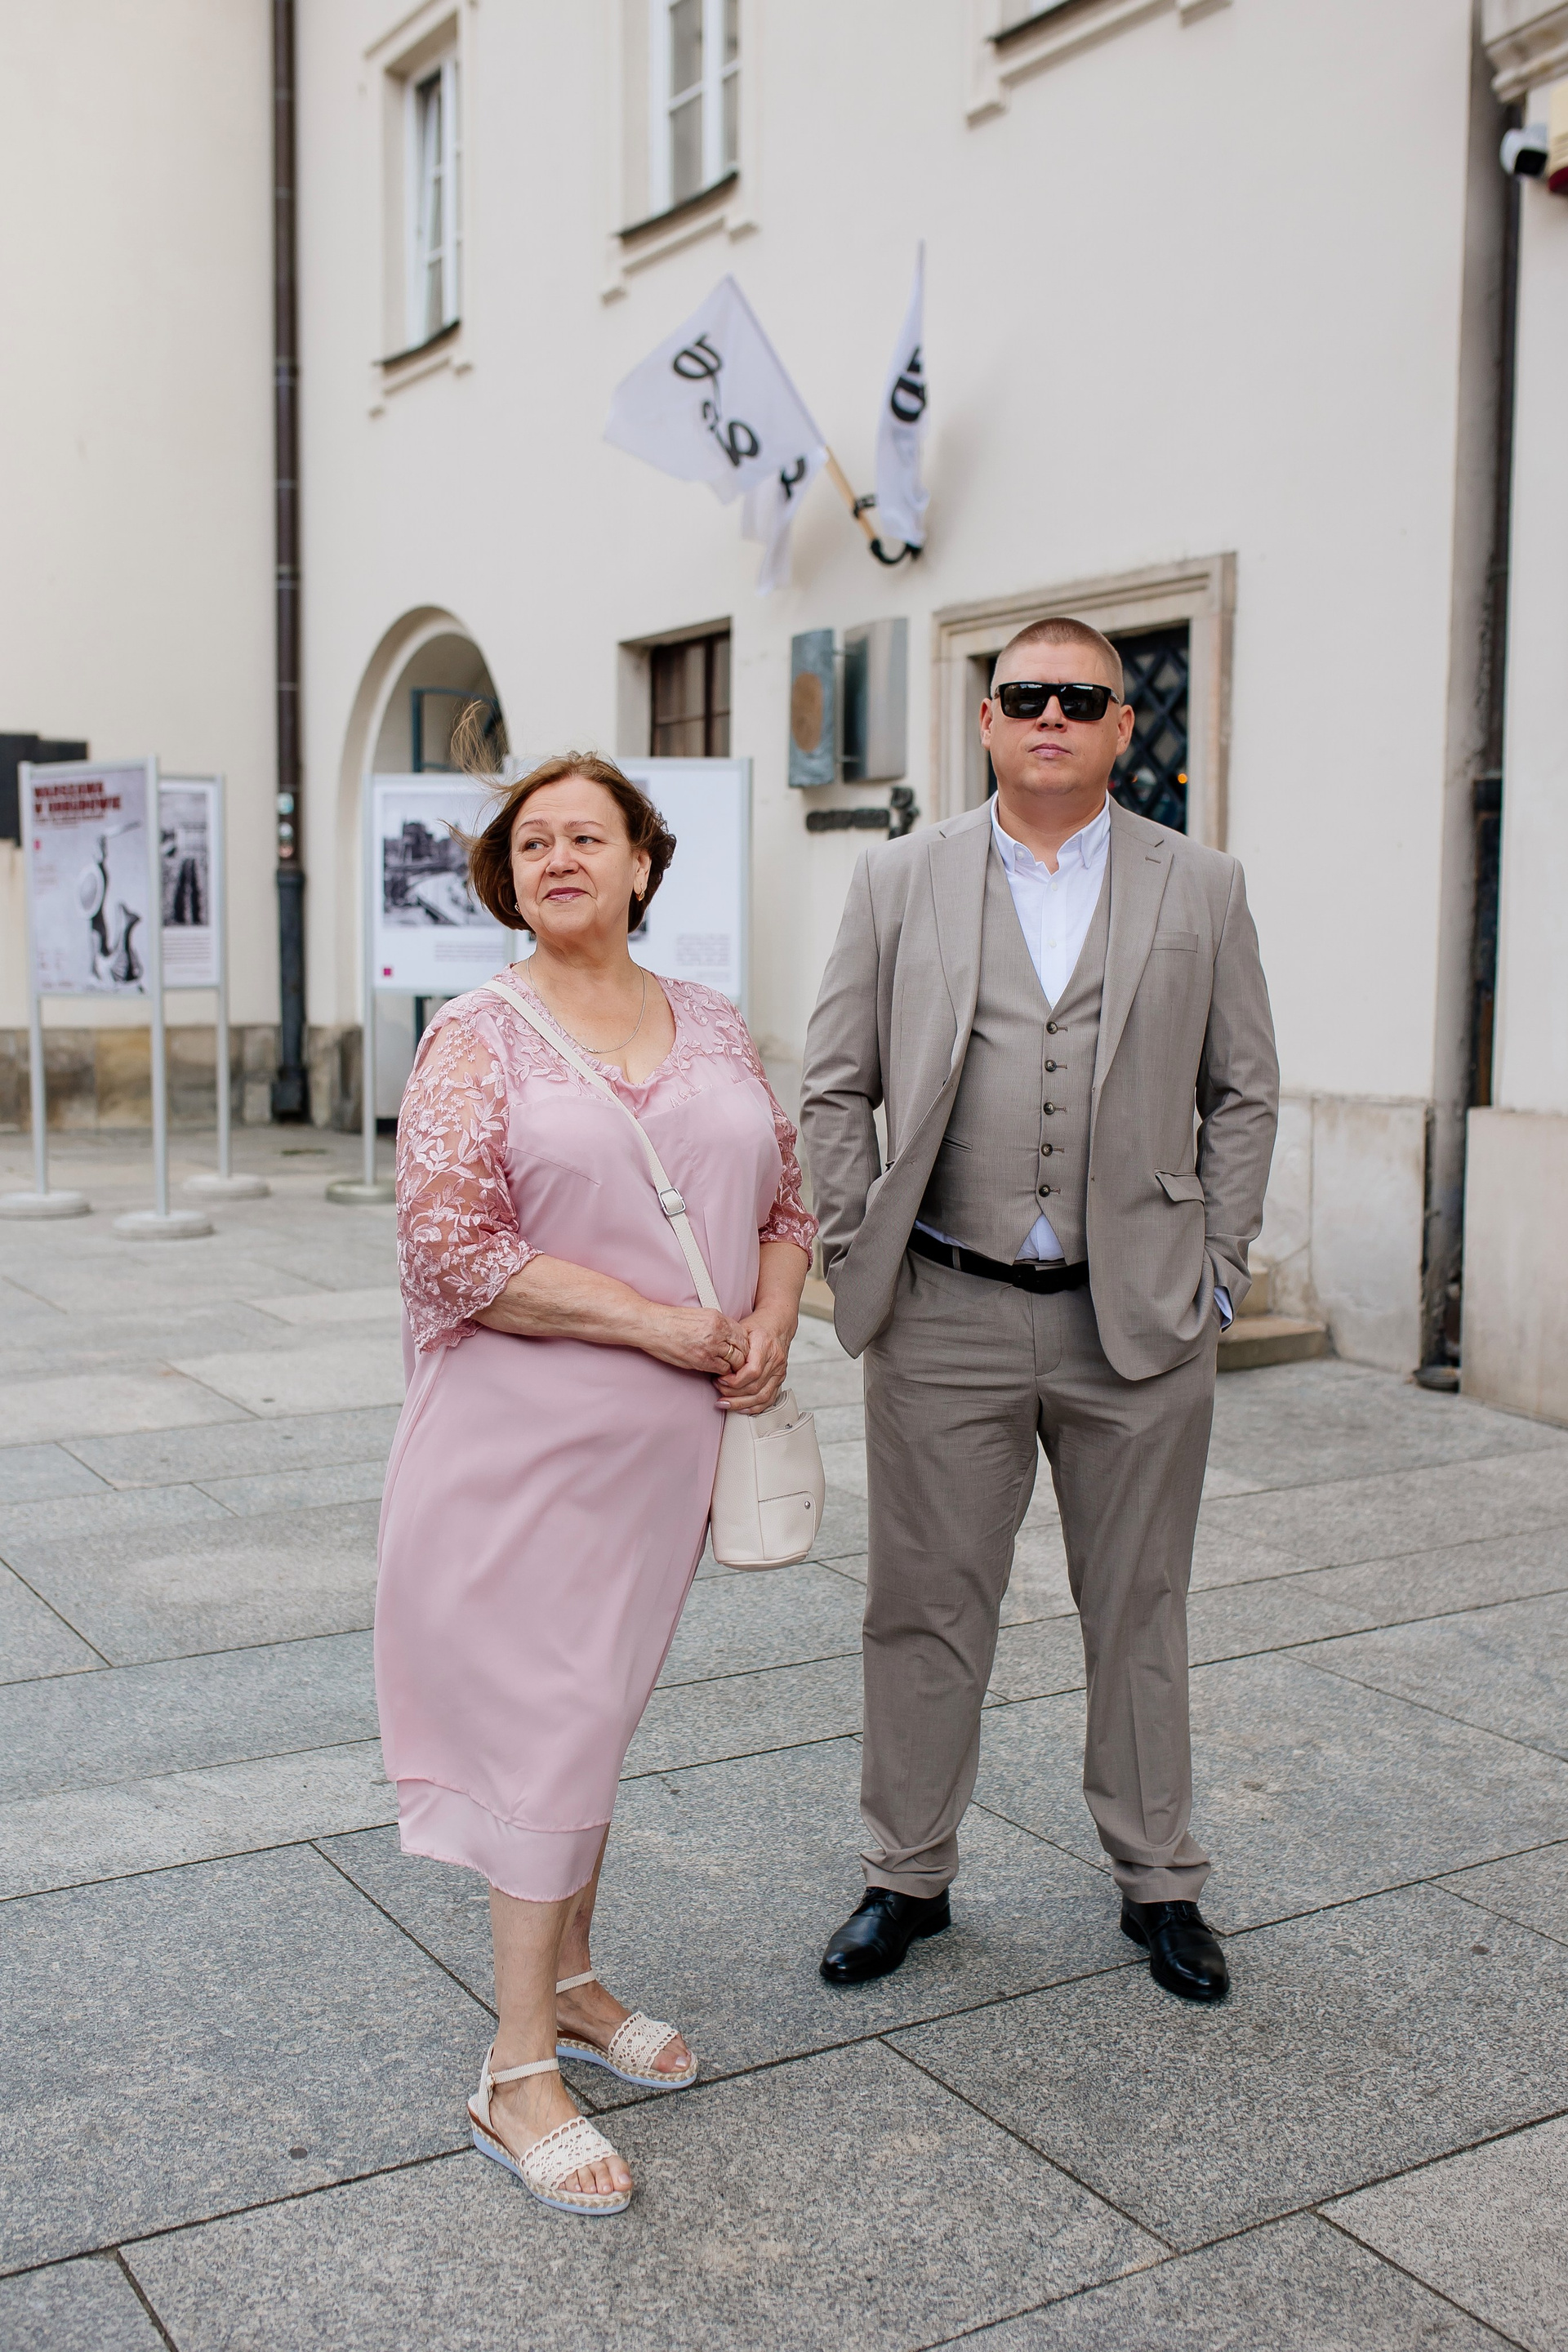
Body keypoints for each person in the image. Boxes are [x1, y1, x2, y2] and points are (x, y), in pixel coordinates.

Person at [800, 617, 1277, 2002]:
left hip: (1141, 1317)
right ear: (988, 720)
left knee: (1141, 1605)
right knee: (924, 1604)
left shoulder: (1204, 884)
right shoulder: (899, 878)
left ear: (1125, 726)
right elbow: (834, 1083)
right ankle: (907, 1874)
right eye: (1025, 697)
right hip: (945, 1306)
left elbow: (1244, 1089)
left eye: (1081, 698)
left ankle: (1160, 1882)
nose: (1051, 716)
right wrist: (857, 1247)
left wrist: (1220, 1267)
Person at [376, 750, 814, 2216]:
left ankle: (568, 1981)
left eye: (589, 835)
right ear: (510, 879)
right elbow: (449, 1249)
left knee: (599, 1712)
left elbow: (786, 1201)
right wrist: (659, 1325)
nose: (561, 857)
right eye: (534, 842)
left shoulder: (713, 1020)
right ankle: (514, 2073)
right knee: (552, 1721)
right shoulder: (475, 1036)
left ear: (642, 863)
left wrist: (770, 1319)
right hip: (518, 1448)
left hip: (667, 1454)